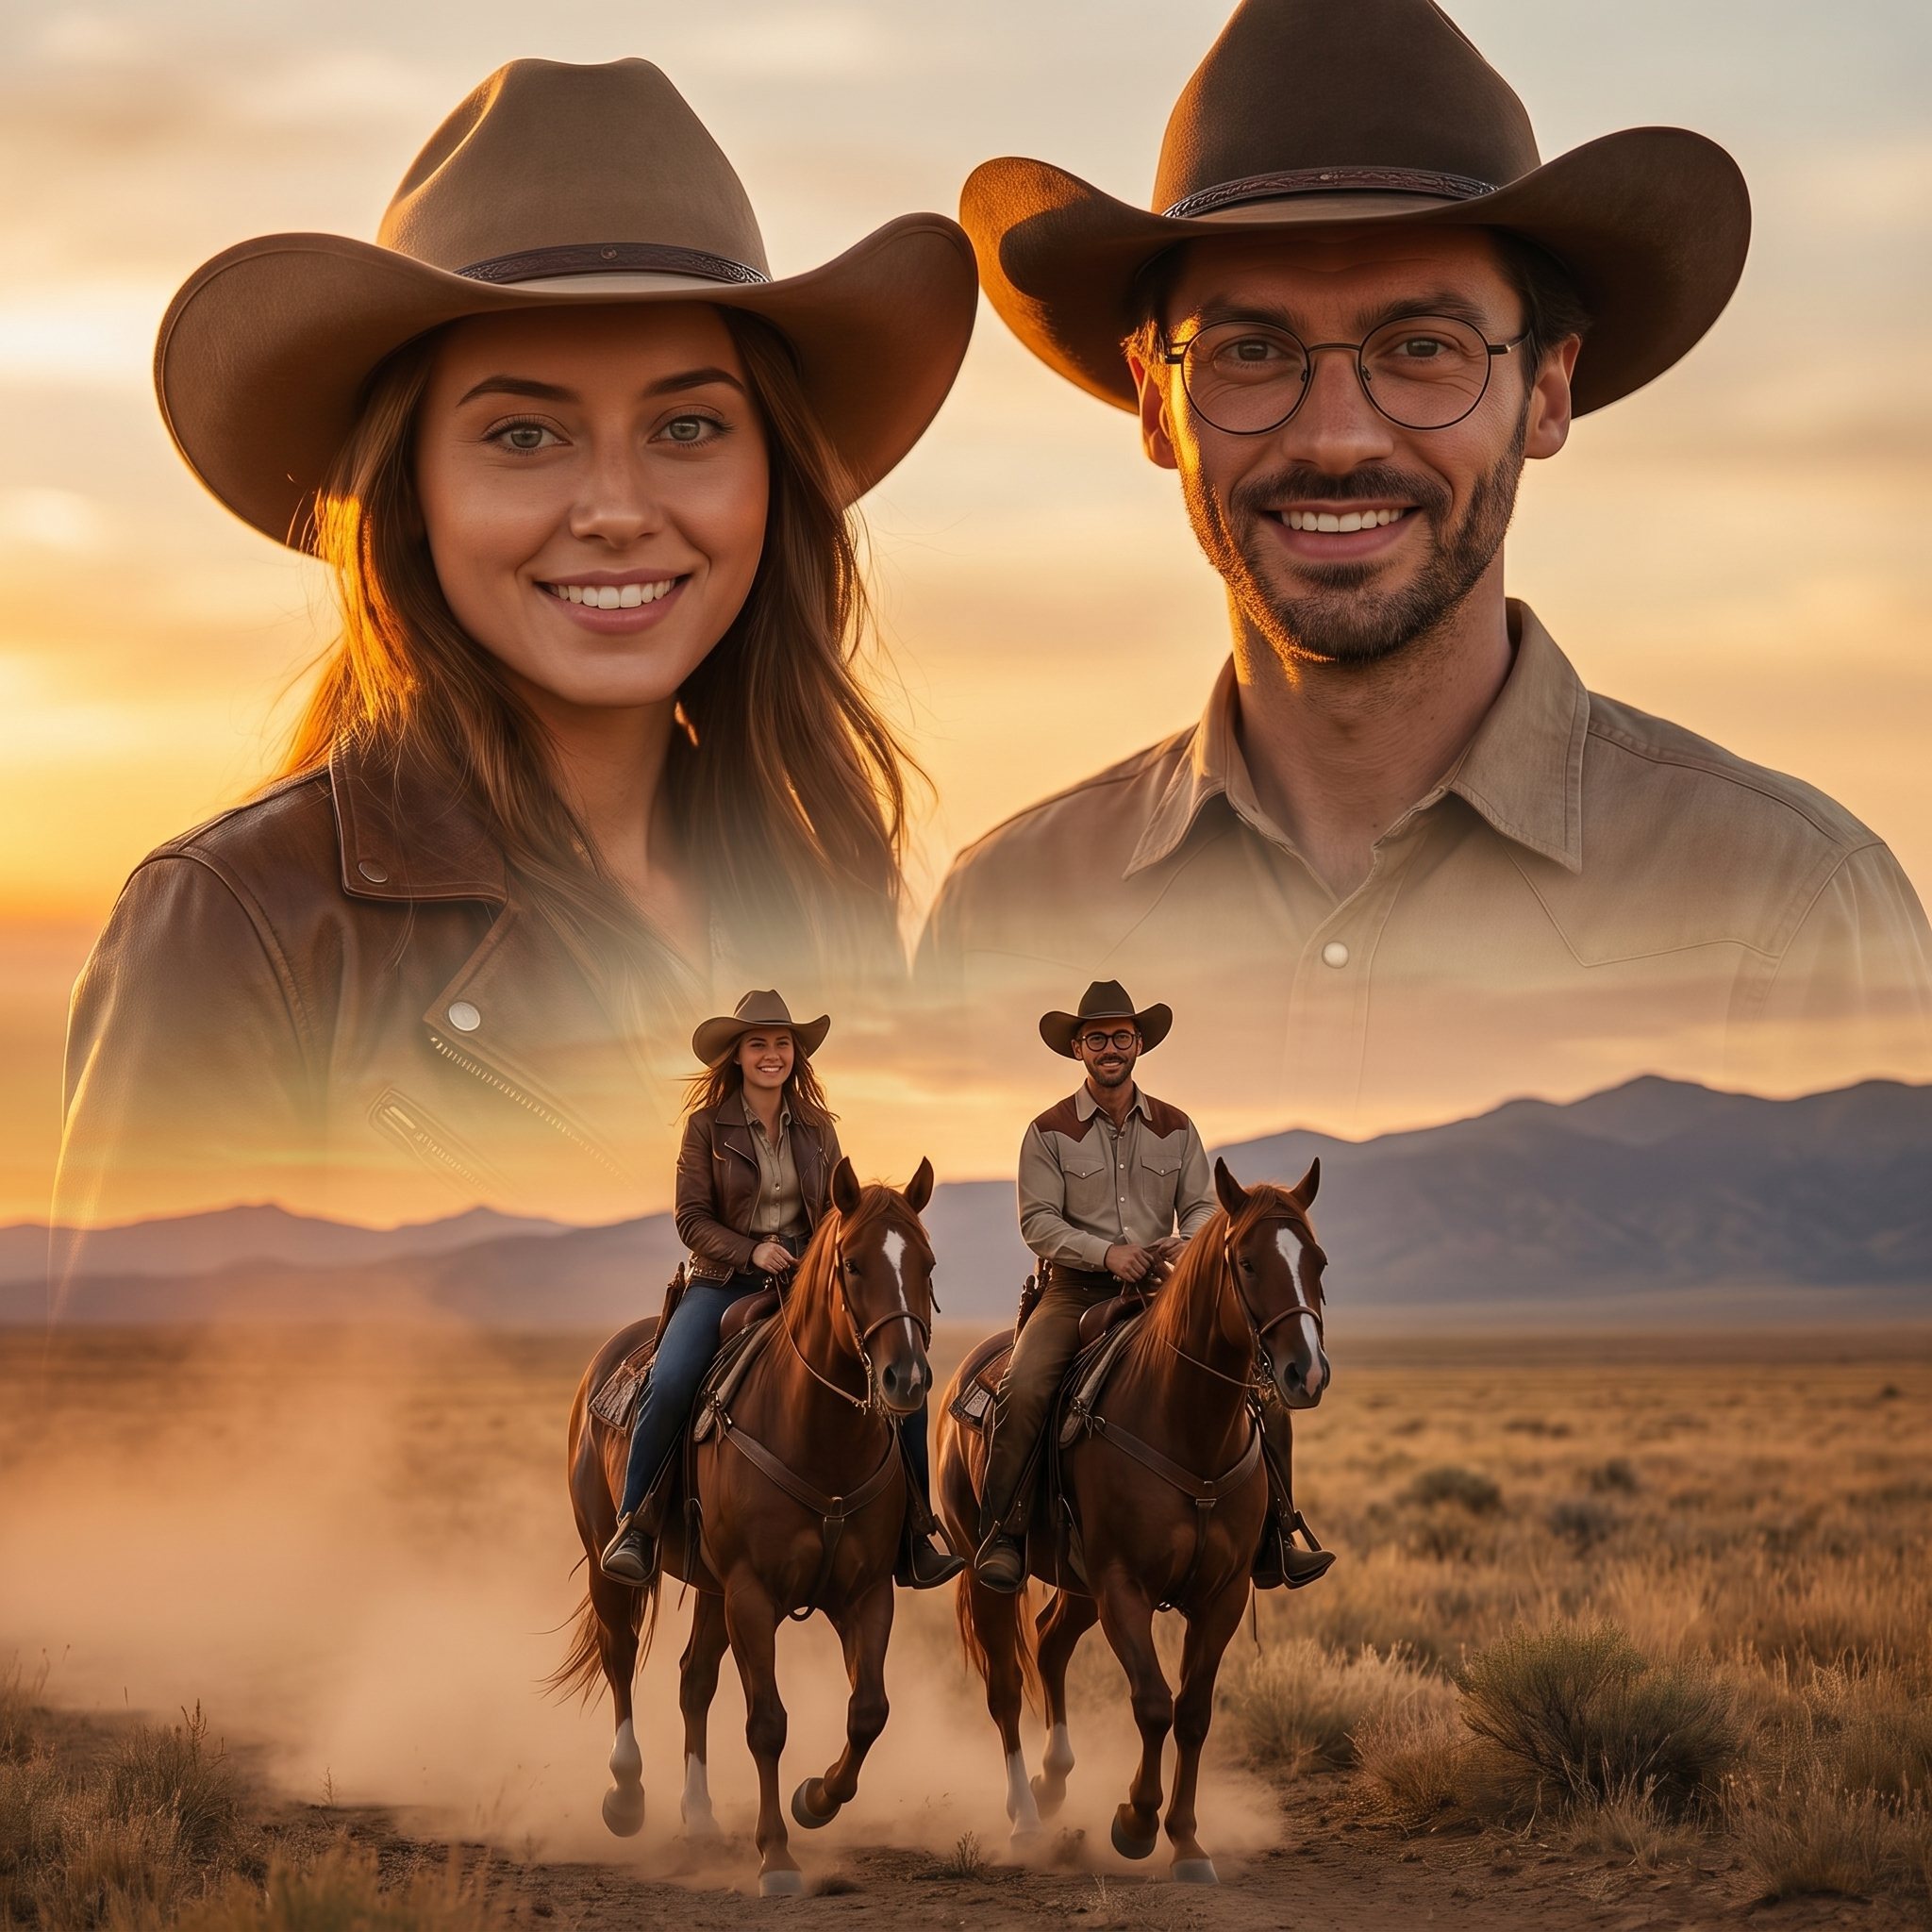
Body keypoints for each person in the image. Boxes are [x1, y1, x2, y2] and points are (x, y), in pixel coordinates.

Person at [920, 0, 1932, 1139]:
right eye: (1252, 351)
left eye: (1421, 349)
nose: (1338, 437)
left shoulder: (1789, 903)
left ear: (1544, 392)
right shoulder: (997, 916)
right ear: (1156, 405)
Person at [52, 58, 976, 1248]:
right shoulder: (239, 930)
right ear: (410, 494)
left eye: (686, 425)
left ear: (771, 478)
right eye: (523, 432)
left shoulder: (823, 891)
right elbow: (132, 1415)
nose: (613, 507)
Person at [974, 980, 1331, 1593]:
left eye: (1120, 1036)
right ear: (1078, 1049)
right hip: (1074, 1291)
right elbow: (1038, 1222)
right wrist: (1108, 1252)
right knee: (1026, 1385)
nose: (1109, 1047)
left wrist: (1182, 1243)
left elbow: (1202, 1208)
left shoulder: (1177, 1128)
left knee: (1263, 1390)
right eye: (1096, 1038)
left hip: (1162, 1290)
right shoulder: (1047, 1131)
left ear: (1138, 1043)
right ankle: (1003, 1533)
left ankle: (1276, 1534)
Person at [600, 990, 963, 1591]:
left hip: (803, 1283)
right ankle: (636, 1522)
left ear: (796, 1055)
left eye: (782, 1044)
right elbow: (690, 1219)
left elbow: (836, 1213)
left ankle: (916, 1531)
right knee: (669, 1380)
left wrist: (815, 1253)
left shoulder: (819, 1130)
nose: (772, 1055)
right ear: (737, 1056)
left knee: (906, 1382)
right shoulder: (705, 1128)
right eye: (758, 1045)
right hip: (720, 1282)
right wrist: (751, 1250)